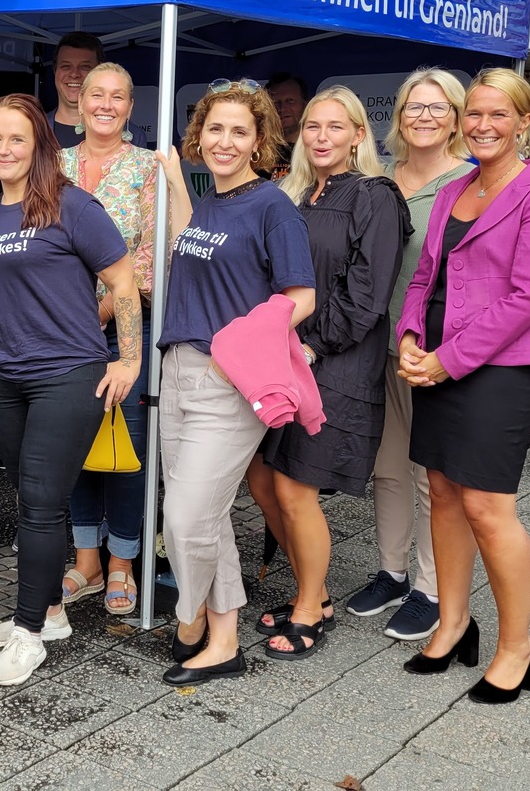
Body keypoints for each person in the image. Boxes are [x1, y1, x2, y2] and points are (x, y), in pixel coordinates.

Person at [398, 68, 530, 705]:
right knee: (441, 492)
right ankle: (453, 623)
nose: (482, 126)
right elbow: (424, 278)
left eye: (499, 115)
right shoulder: (455, 189)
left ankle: (517, 647)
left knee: (487, 508)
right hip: (437, 362)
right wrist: (413, 339)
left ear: (525, 121)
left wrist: (447, 360)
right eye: (473, 114)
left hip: (498, 370)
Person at [0, 93, 140, 685]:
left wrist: (127, 360)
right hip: (3, 377)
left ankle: (29, 634)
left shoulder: (74, 206)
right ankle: (50, 611)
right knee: (28, 500)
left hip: (66, 376)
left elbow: (122, 279)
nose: (4, 148)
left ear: (41, 144)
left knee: (42, 505)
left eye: (18, 138)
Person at [156, 79, 315, 686]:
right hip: (178, 374)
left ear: (259, 141)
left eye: (239, 131)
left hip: (227, 380)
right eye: (215, 129)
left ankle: (190, 616)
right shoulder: (211, 203)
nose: (225, 141)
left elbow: (301, 294)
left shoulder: (273, 206)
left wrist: (241, 344)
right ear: (199, 134)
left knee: (185, 518)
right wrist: (174, 183)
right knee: (208, 513)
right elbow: (192, 250)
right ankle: (222, 638)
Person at [250, 87, 407, 661]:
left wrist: (311, 349)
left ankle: (310, 608)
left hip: (333, 364)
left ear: (359, 135)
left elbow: (367, 295)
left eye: (335, 128)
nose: (321, 137)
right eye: (312, 126)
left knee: (294, 487)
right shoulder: (296, 196)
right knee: (265, 484)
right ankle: (308, 592)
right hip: (284, 361)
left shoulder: (375, 196)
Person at [54, 62, 192, 616]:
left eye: (118, 97)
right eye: (96, 95)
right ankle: (86, 559)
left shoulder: (147, 169)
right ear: (79, 100)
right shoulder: (54, 162)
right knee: (76, 447)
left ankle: (122, 563)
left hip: (121, 329)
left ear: (131, 109)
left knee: (127, 449)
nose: (106, 105)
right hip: (60, 331)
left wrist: (106, 309)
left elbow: (152, 252)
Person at [347, 69, 472, 640]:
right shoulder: (376, 179)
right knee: (387, 467)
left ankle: (431, 586)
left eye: (438, 107)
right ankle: (392, 571)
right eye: (413, 107)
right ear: (397, 116)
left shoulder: (470, 184)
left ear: (456, 116)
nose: (424, 116)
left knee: (431, 477)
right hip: (377, 347)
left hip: (433, 354)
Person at [45, 33, 149, 150]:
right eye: (66, 66)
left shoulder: (134, 137)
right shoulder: (35, 128)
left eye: (84, 67)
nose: (74, 74)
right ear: (55, 71)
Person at [263, 72, 308, 181]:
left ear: (305, 104)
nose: (282, 108)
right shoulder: (259, 152)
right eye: (275, 102)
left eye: (290, 101)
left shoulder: (317, 149)